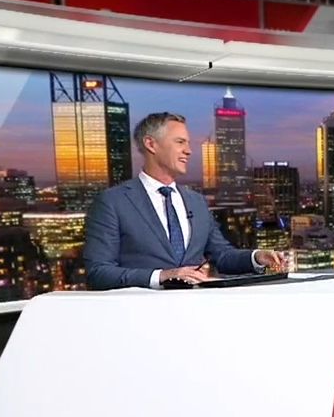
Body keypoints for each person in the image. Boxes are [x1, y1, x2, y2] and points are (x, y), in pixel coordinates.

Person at [83, 112, 285, 290]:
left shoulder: (196, 201)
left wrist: (256, 257)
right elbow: (99, 272)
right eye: (180, 142)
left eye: (188, 143)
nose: (188, 151)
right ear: (151, 144)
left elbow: (221, 255)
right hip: (140, 311)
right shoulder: (113, 201)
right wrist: (163, 276)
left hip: (194, 311)